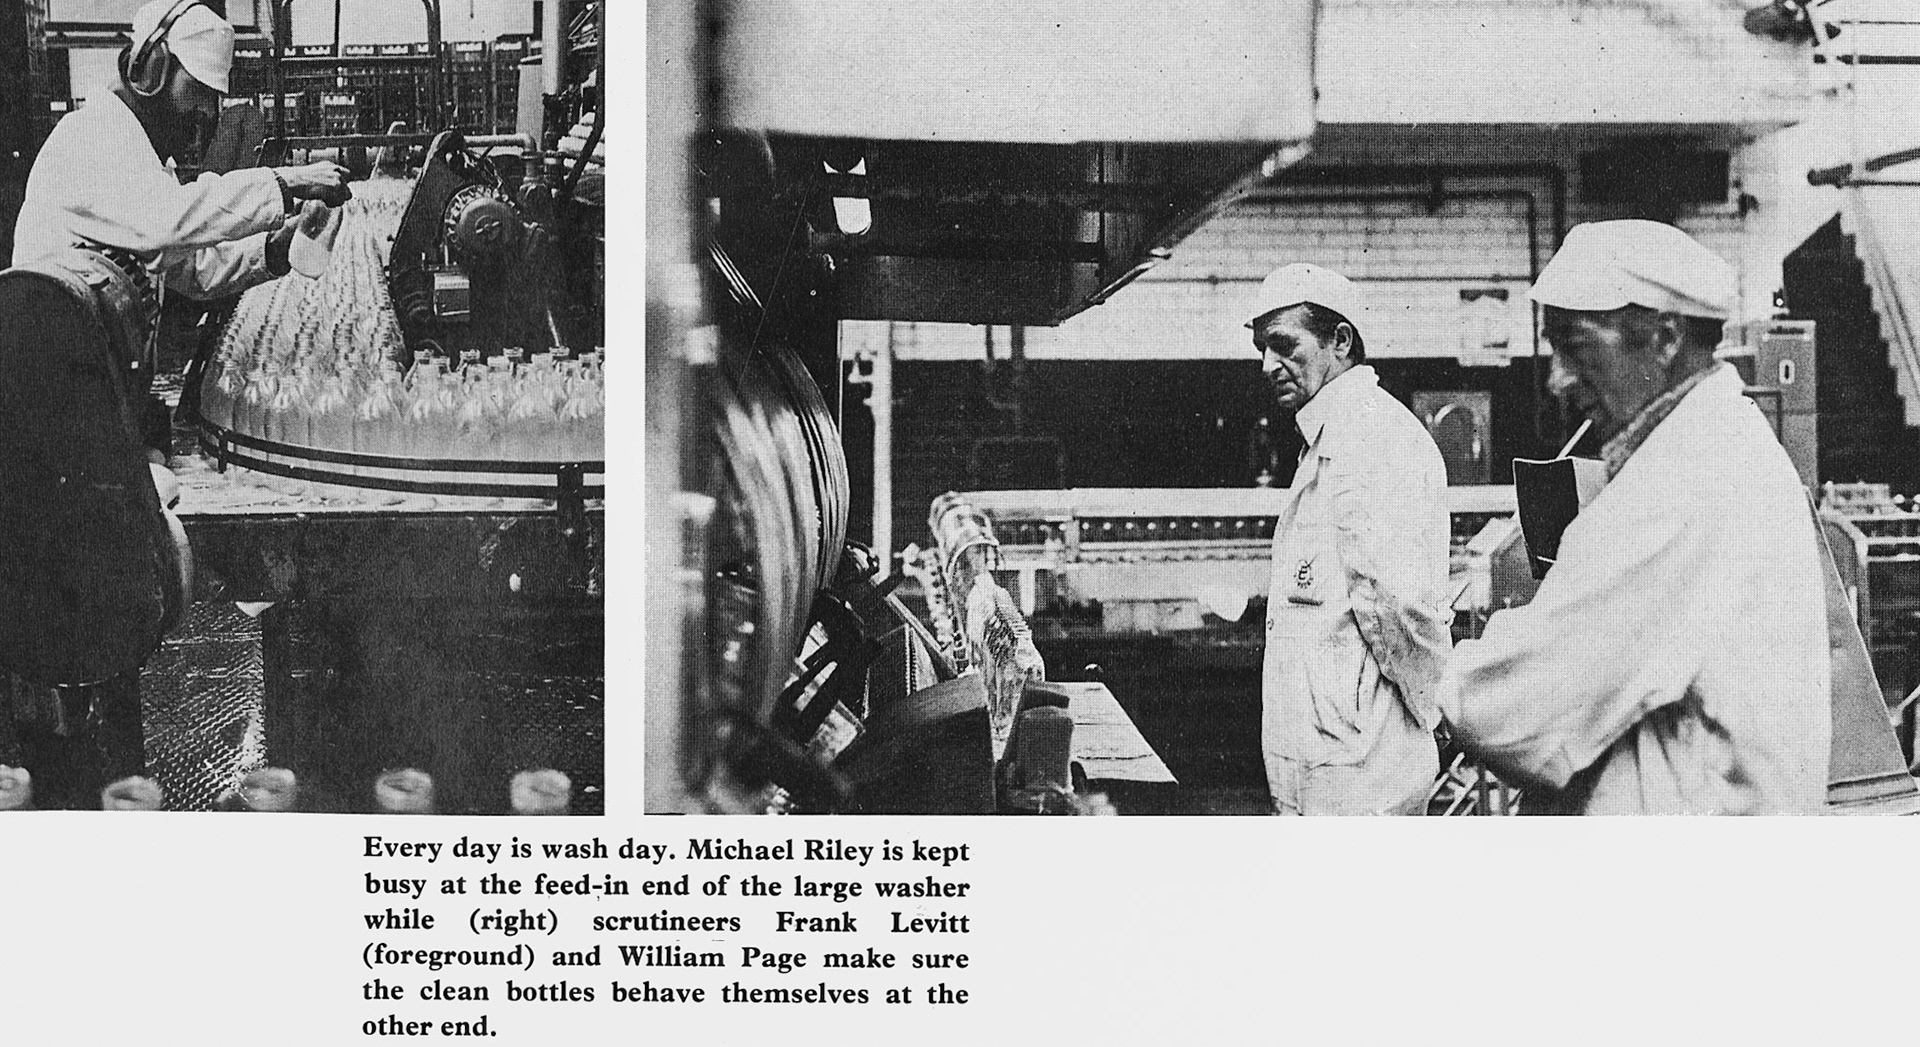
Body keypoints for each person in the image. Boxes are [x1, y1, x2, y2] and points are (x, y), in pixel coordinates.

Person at [1, 0, 350, 809]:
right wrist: (283, 182)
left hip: (92, 424)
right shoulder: (92, 140)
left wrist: (277, 248)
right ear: (152, 70)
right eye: (199, 98)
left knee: (108, 618)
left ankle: (110, 788)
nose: (205, 122)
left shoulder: (140, 163)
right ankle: (68, 801)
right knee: (65, 633)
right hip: (46, 426)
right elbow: (169, 222)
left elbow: (188, 269)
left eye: (215, 106)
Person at [1436, 220, 1831, 814]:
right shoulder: (1716, 441)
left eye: (1575, 347)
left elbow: (1521, 708)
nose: (1557, 380)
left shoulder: (1685, 475)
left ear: (1665, 339)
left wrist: (1444, 678)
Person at [1245, 263, 1453, 815]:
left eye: (1284, 345)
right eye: (1262, 349)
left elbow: (1398, 606)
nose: (1268, 365)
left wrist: (1436, 708)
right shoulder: (1333, 435)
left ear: (1340, 341)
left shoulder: (1372, 436)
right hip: (1332, 756)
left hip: (1363, 765)